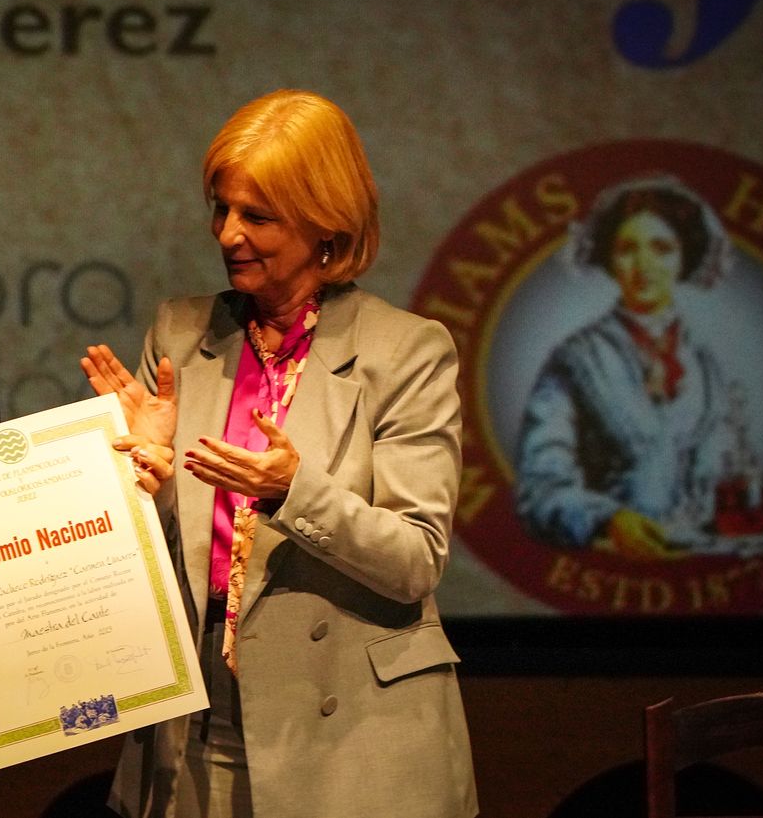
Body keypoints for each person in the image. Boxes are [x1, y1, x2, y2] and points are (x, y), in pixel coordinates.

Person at [82, 90, 477, 818]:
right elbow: (144, 557)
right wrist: (149, 485)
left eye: (258, 216)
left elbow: (415, 560)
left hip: (352, 735)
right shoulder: (180, 334)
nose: (228, 233)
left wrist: (296, 490)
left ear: (325, 222)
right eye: (221, 208)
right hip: (196, 721)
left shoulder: (407, 351)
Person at [516, 176, 763, 558]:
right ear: (609, 259)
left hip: (702, 563)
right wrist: (609, 520)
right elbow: (539, 488)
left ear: (684, 257)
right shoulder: (576, 360)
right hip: (618, 566)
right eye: (627, 250)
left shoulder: (706, 362)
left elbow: (720, 471)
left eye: (662, 248)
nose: (645, 266)